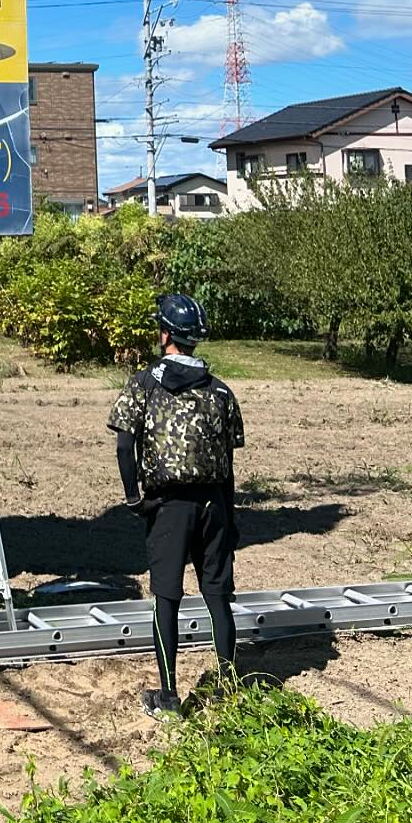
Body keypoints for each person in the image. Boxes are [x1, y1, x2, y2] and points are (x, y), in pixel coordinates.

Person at [108, 293, 244, 719]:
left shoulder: (144, 383)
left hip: (168, 506)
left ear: (165, 334)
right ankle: (228, 689)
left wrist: (134, 496)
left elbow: (125, 444)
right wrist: (230, 515)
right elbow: (229, 458)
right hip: (215, 504)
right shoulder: (221, 392)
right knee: (218, 596)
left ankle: (168, 697)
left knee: (166, 598)